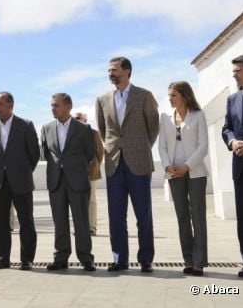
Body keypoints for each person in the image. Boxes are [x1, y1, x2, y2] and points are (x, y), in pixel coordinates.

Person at [96, 57, 159, 273]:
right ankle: (119, 259)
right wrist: (116, 148)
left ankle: (146, 259)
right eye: (108, 70)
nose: (110, 73)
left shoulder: (144, 96)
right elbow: (103, 130)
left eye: (114, 70)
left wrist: (139, 147)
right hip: (114, 163)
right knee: (116, 215)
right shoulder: (102, 99)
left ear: (127, 71)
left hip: (139, 162)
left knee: (144, 214)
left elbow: (153, 128)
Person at [0, 91, 40, 271]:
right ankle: (2, 258)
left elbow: (34, 154)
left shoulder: (25, 125)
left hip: (21, 180)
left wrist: (21, 171)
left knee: (26, 221)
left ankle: (27, 259)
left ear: (10, 105)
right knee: (1, 223)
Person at [41, 94, 96, 272]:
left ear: (68, 107)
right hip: (56, 181)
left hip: (78, 180)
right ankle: (61, 257)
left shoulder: (83, 128)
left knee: (81, 221)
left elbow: (90, 153)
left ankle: (86, 258)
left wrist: (74, 167)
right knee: (60, 221)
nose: (52, 109)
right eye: (51, 105)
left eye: (56, 105)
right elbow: (45, 152)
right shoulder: (46, 128)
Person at [158, 81, 208, 276]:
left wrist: (186, 167)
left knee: (198, 216)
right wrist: (167, 166)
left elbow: (203, 146)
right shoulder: (165, 118)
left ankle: (199, 262)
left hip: (195, 172)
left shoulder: (198, 115)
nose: (169, 99)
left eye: (173, 95)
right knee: (182, 217)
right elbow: (161, 146)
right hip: (173, 173)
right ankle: (188, 259)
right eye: (169, 95)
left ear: (185, 96)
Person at [222, 54, 243, 278]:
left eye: (237, 70)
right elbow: (226, 128)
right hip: (240, 166)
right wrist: (232, 141)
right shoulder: (232, 99)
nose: (234, 75)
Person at [74, 112, 104, 236]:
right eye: (75, 119)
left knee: (91, 199)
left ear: (85, 120)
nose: (76, 121)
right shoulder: (72, 133)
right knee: (78, 201)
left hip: (91, 172)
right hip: (75, 173)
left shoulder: (94, 133)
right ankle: (80, 228)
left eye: (78, 118)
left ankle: (91, 228)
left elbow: (100, 153)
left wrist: (95, 166)